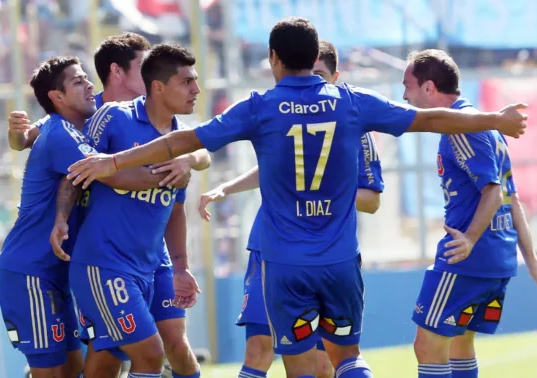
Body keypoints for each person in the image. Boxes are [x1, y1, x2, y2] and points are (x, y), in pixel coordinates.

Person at [66, 18, 528, 378]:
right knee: (347, 356)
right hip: (340, 259)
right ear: (316, 59)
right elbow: (430, 120)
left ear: (274, 59)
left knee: (299, 362)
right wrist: (495, 119)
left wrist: (112, 162)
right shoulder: (350, 100)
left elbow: (183, 144)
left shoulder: (260, 106)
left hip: (283, 264)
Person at [7, 32, 209, 378]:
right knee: (128, 354)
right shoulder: (93, 118)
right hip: (68, 262)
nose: (194, 89)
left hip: (139, 257)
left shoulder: (167, 128)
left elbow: (200, 146)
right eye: (145, 66)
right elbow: (81, 167)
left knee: (144, 349)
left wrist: (189, 162)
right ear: (118, 71)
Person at [191, 40, 384, 378]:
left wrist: (324, 194)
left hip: (324, 252)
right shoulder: (279, 113)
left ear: (335, 76)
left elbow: (371, 199)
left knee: (323, 362)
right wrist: (227, 187)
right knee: (258, 348)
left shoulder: (352, 124)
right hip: (270, 248)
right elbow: (276, 171)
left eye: (321, 75)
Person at [66, 44, 203, 378]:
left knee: (160, 347)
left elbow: (175, 209)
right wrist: (59, 219)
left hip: (151, 265)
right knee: (150, 353)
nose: (196, 90)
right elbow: (75, 169)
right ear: (158, 87)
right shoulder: (113, 117)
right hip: (105, 264)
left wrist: (181, 267)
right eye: (186, 82)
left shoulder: (183, 141)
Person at [402, 49, 537, 378]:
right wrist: (531, 262)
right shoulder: (488, 126)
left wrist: (470, 240)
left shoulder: (460, 127)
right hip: (497, 258)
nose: (404, 95)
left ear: (429, 88)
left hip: (469, 259)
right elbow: (512, 198)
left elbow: (493, 191)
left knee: (427, 346)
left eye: (408, 85)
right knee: (460, 345)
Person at [0, 56, 96, 378]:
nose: (90, 85)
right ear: (57, 97)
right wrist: (172, 164)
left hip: (53, 273)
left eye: (87, 78)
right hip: (30, 273)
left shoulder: (65, 126)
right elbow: (115, 175)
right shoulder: (62, 134)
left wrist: (20, 137)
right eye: (78, 81)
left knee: (72, 370)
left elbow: (24, 139)